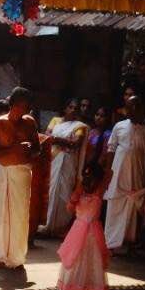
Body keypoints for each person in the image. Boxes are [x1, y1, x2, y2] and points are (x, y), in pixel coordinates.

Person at [0, 86, 39, 268]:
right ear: (12, 104)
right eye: (21, 106)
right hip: (4, 173)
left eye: (27, 107)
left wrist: (31, 150)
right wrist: (12, 149)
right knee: (1, 214)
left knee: (20, 216)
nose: (24, 110)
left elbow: (38, 148)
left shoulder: (30, 122)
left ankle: (16, 257)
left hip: (22, 174)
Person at [103, 95, 145, 251]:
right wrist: (108, 173)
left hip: (138, 176)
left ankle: (127, 245)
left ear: (139, 109)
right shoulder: (119, 126)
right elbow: (111, 149)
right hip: (118, 176)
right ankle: (110, 243)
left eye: (129, 108)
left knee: (133, 210)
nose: (126, 112)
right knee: (115, 207)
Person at [57, 163, 109, 290]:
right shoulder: (88, 192)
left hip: (90, 232)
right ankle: (77, 287)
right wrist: (79, 191)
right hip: (80, 231)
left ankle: (88, 288)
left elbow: (110, 172)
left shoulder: (98, 191)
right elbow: (69, 208)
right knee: (78, 258)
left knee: (89, 259)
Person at [41, 99, 88, 237]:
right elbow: (47, 137)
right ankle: (45, 224)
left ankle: (59, 227)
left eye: (76, 108)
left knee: (64, 193)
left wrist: (57, 140)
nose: (73, 110)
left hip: (68, 163)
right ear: (65, 108)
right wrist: (63, 141)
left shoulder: (80, 126)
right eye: (70, 107)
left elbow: (75, 144)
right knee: (49, 190)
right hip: (54, 160)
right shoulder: (55, 120)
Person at [84, 106, 112, 170]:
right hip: (85, 166)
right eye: (97, 115)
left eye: (102, 116)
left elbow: (104, 155)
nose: (98, 118)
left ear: (107, 118)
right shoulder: (91, 131)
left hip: (97, 169)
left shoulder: (108, 135)